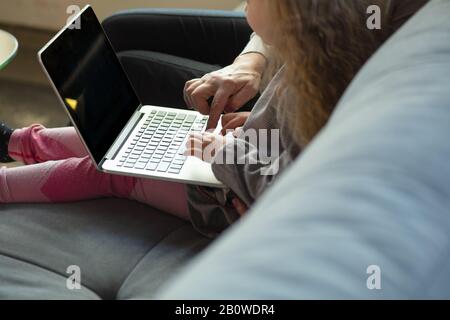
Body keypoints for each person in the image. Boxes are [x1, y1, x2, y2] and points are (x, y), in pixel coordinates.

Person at [0, 0, 428, 238]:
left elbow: (290, 185)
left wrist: (232, 152)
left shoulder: (321, 82)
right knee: (115, 140)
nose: (245, 8)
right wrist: (254, 129)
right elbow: (286, 138)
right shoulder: (311, 61)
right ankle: (15, 140)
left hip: (225, 198)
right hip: (238, 160)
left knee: (110, 171)